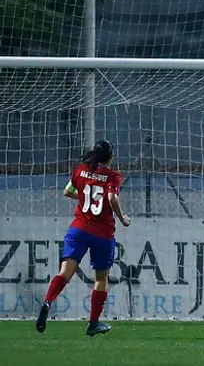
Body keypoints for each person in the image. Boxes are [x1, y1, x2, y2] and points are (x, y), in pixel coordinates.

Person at [36, 140, 131, 336]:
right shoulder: (113, 176)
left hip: (78, 229)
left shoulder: (81, 170)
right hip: (102, 234)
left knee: (64, 273)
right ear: (111, 157)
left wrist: (84, 198)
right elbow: (112, 198)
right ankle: (93, 323)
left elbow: (67, 191)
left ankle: (47, 302)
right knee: (101, 279)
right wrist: (122, 218)